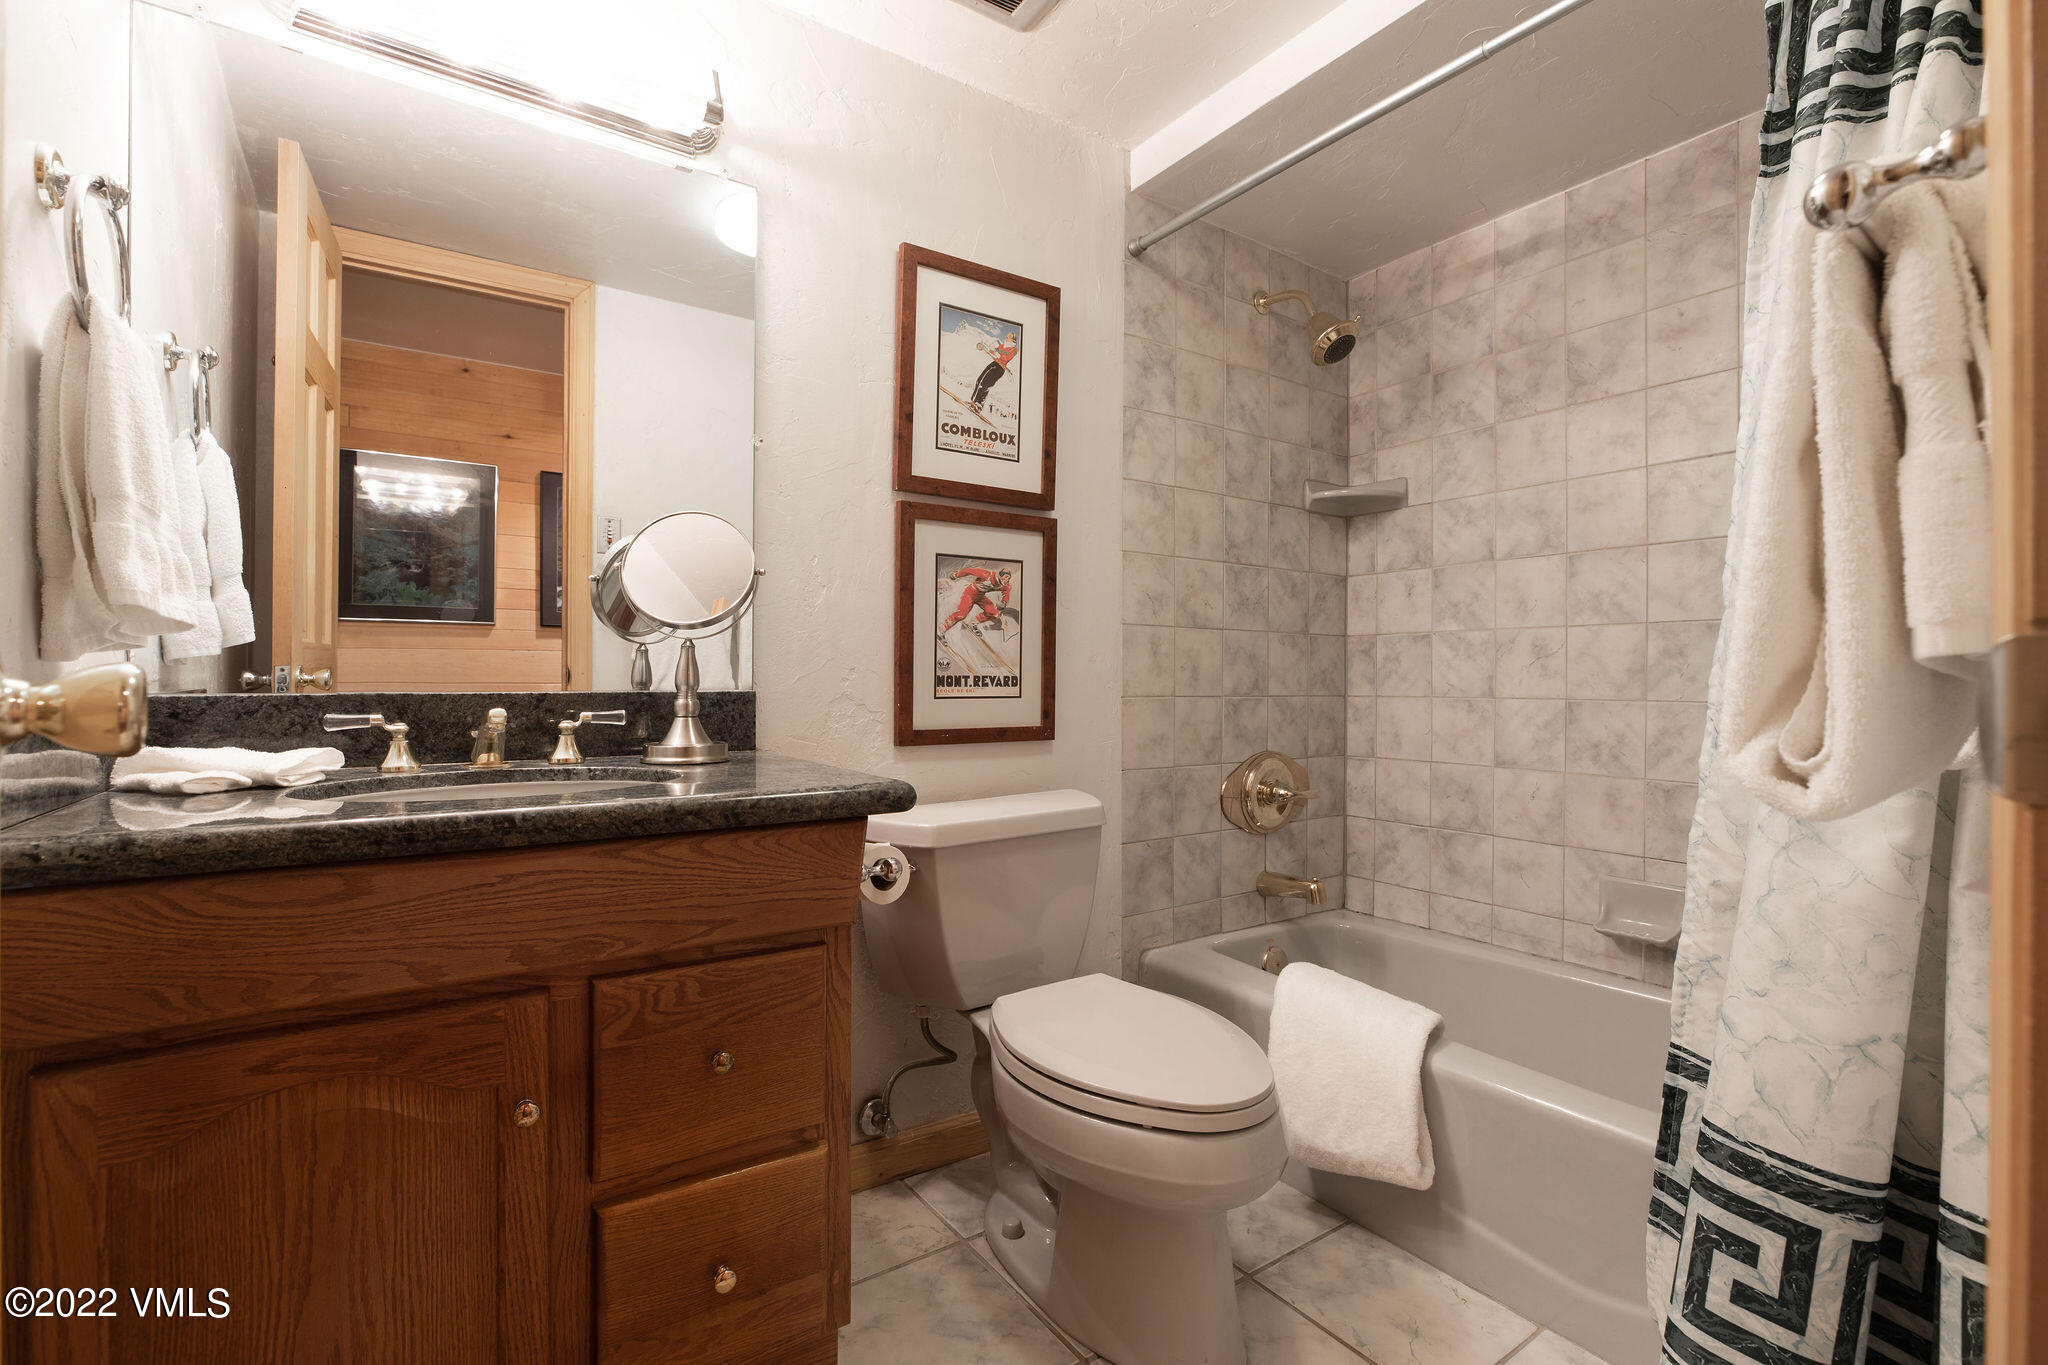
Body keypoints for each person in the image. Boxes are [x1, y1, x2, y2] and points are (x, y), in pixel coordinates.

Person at [940, 564, 1013, 641]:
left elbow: (1007, 592)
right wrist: (956, 575)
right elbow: (969, 571)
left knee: (994, 613)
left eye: (1008, 578)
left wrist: (1004, 602)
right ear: (1000, 575)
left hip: (980, 596)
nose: (1006, 580)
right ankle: (941, 629)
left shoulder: (1005, 585)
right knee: (961, 615)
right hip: (970, 594)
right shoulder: (987, 575)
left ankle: (973, 622)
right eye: (1005, 577)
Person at [969, 331, 1019, 413]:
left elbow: (1006, 357)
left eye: (1009, 336)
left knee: (986, 385)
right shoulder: (1003, 345)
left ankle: (978, 404)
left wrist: (997, 353)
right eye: (1007, 334)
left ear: (1013, 339)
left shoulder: (1014, 349)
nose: (1007, 336)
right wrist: (985, 347)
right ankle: (974, 402)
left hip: (1000, 368)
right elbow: (994, 350)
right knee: (980, 380)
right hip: (994, 363)